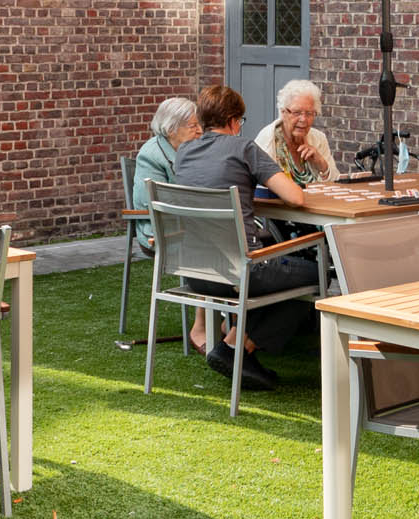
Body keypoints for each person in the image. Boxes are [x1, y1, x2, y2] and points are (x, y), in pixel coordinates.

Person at [171, 84, 313, 390]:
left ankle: (235, 346)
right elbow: (296, 198)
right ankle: (238, 346)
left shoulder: (183, 152)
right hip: (239, 271)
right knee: (313, 280)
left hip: (195, 272)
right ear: (235, 121)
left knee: (274, 271)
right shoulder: (243, 148)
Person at [130, 97, 202, 243]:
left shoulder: (190, 150)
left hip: (191, 225)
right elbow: (152, 202)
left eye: (199, 124)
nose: (200, 131)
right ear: (171, 129)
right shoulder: (151, 155)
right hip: (161, 231)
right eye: (193, 126)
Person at [252, 80, 341, 185]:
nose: (303, 119)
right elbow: (259, 187)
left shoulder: (318, 139)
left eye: (309, 113)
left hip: (317, 200)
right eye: (297, 112)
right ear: (283, 112)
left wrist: (322, 164)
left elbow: (337, 184)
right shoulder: (267, 140)